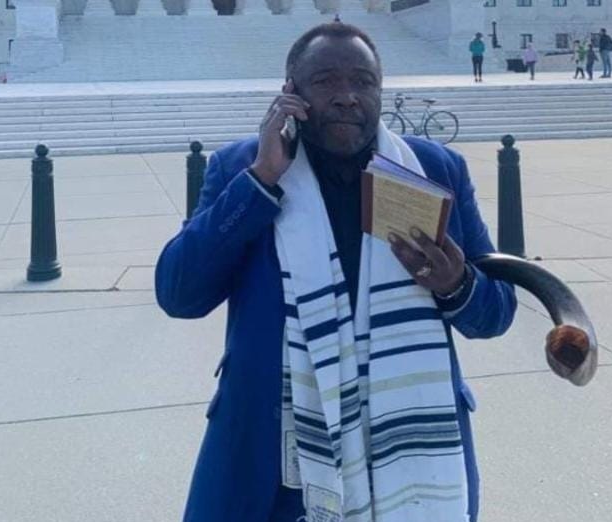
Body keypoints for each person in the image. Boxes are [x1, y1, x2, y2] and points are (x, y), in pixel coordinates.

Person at [155, 22, 516, 522]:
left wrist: (457, 286)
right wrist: (261, 179)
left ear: (380, 92)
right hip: (276, 455)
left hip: (409, 449)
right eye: (325, 81)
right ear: (291, 92)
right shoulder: (242, 167)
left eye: (363, 81)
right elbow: (179, 293)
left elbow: (497, 314)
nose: (347, 96)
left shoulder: (435, 169)